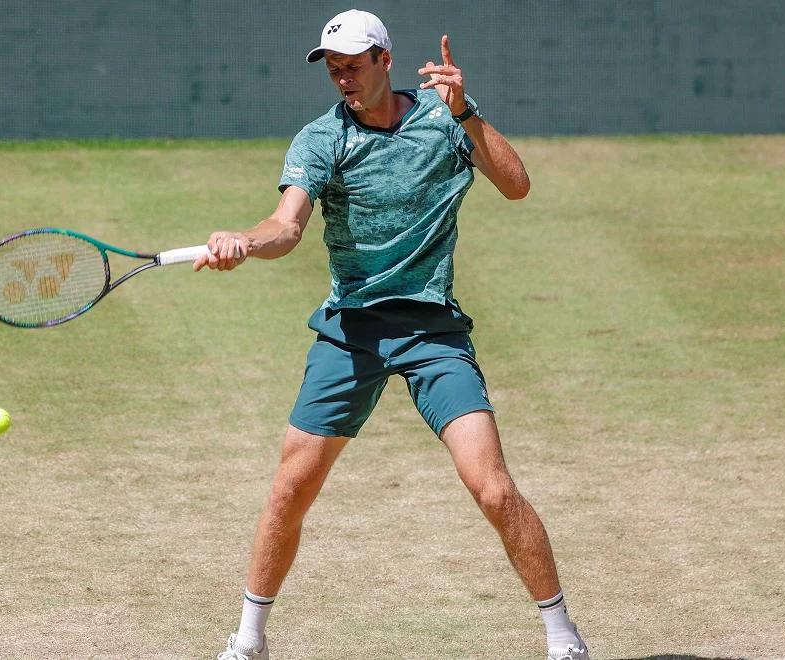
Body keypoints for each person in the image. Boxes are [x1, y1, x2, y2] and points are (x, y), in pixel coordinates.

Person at [198, 10, 590, 660]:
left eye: (353, 66)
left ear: (384, 60)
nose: (343, 80)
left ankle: (561, 635)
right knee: (290, 488)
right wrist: (246, 242)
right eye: (333, 70)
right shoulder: (321, 139)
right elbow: (286, 226)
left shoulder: (445, 121)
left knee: (491, 485)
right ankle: (249, 640)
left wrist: (466, 113)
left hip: (433, 329)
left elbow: (517, 186)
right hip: (353, 331)